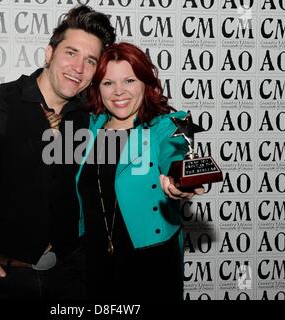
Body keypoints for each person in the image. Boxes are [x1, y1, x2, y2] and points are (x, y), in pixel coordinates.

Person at [0, 5, 115, 300]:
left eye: (90, 61)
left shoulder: (89, 119)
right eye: (71, 53)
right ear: (49, 53)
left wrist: (172, 178)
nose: (79, 68)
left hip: (72, 278)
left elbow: (126, 159)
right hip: (6, 279)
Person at [76, 42, 205, 300]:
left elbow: (174, 154)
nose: (119, 92)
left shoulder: (163, 126)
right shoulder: (88, 128)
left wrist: (179, 181)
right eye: (108, 83)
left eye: (129, 80)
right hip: (93, 261)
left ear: (145, 83)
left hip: (150, 263)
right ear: (97, 88)